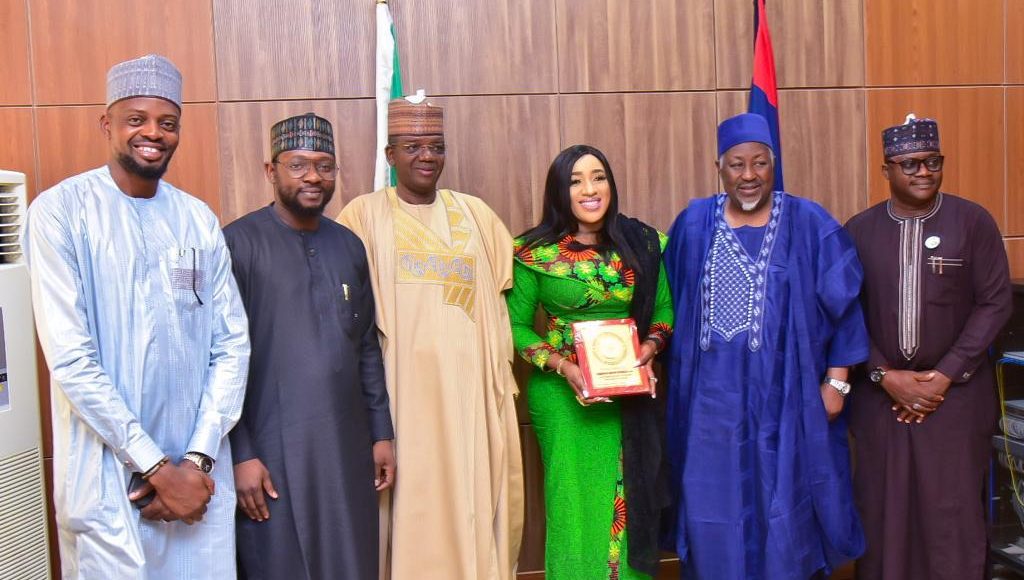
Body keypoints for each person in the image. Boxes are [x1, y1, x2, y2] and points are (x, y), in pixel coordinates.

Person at [25, 54, 250, 578]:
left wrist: (195, 462)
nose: (153, 133)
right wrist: (154, 466)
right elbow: (72, 360)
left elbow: (231, 345)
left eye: (167, 123)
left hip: (198, 482)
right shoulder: (59, 213)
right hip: (109, 479)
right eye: (136, 119)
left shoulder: (196, 218)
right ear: (107, 124)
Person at [663, 113, 869, 579]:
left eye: (760, 163)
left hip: (788, 396)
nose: (749, 175)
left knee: (786, 503)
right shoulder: (694, 223)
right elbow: (664, 302)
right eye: (737, 164)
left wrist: (838, 383)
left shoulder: (809, 222)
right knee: (711, 503)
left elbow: (846, 306)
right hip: (708, 405)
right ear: (719, 167)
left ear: (774, 165)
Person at [337, 95, 523, 580]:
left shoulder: (476, 215)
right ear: (390, 155)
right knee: (412, 505)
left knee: (472, 497)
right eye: (413, 146)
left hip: (470, 398)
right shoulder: (363, 216)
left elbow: (515, 292)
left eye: (436, 146)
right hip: (402, 398)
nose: (427, 156)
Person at [223, 113, 396, 579]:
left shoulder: (349, 246)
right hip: (271, 449)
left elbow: (365, 346)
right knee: (280, 561)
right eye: (298, 165)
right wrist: (241, 453)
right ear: (271, 170)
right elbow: (220, 360)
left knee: (351, 560)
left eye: (324, 165)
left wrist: (381, 433)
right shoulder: (237, 244)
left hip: (346, 445)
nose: (313, 177)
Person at [845, 115, 1012, 580]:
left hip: (956, 399)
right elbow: (845, 313)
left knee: (951, 518)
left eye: (933, 161)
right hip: (881, 401)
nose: (923, 171)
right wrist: (884, 375)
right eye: (910, 163)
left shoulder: (973, 221)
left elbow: (995, 303)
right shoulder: (859, 230)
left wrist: (944, 375)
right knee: (884, 514)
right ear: (886, 170)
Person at [505, 145, 673, 579]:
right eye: (575, 181)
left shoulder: (643, 244)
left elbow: (663, 311)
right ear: (559, 191)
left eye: (598, 177)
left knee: (628, 503)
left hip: (629, 396)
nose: (589, 189)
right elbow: (515, 327)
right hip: (563, 398)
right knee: (573, 508)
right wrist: (564, 367)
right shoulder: (532, 251)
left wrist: (649, 349)